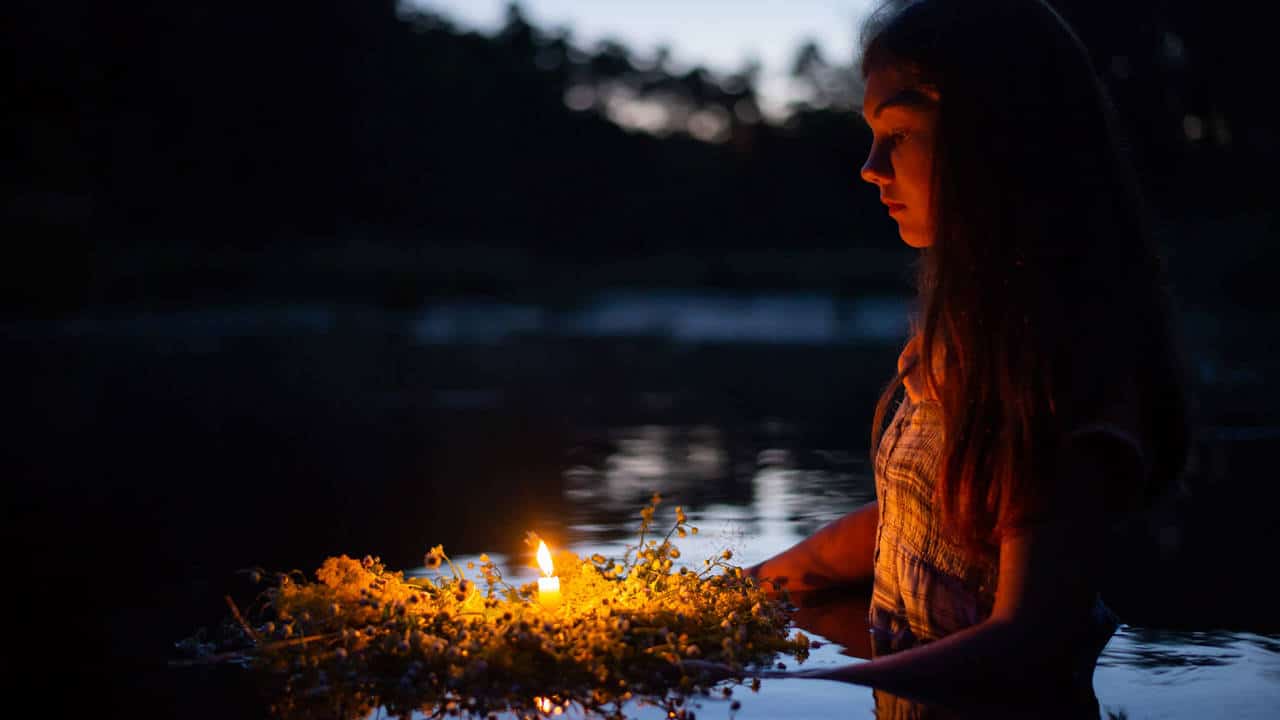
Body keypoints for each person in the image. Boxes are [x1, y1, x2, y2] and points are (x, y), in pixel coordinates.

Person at [739, 0, 1190, 711]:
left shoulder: (1057, 364)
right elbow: (921, 520)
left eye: (899, 131)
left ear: (1001, 138)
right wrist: (747, 589)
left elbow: (1029, 638)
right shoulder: (957, 343)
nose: (869, 167)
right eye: (871, 135)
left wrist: (781, 681)